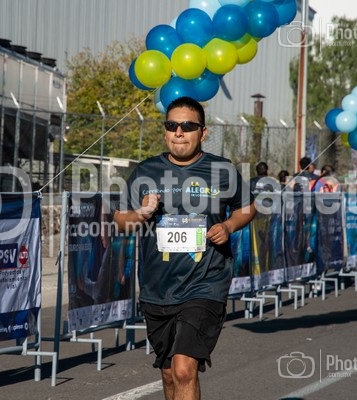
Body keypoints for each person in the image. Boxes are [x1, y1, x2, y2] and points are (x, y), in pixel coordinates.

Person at [113, 96, 256, 400]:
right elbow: (120, 221)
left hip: (205, 283)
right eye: (172, 125)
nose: (179, 132)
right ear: (165, 130)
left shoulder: (222, 170)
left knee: (183, 369)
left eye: (188, 126)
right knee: (168, 373)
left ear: (203, 132)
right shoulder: (146, 171)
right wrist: (141, 213)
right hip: (157, 287)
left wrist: (228, 226)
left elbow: (247, 207)